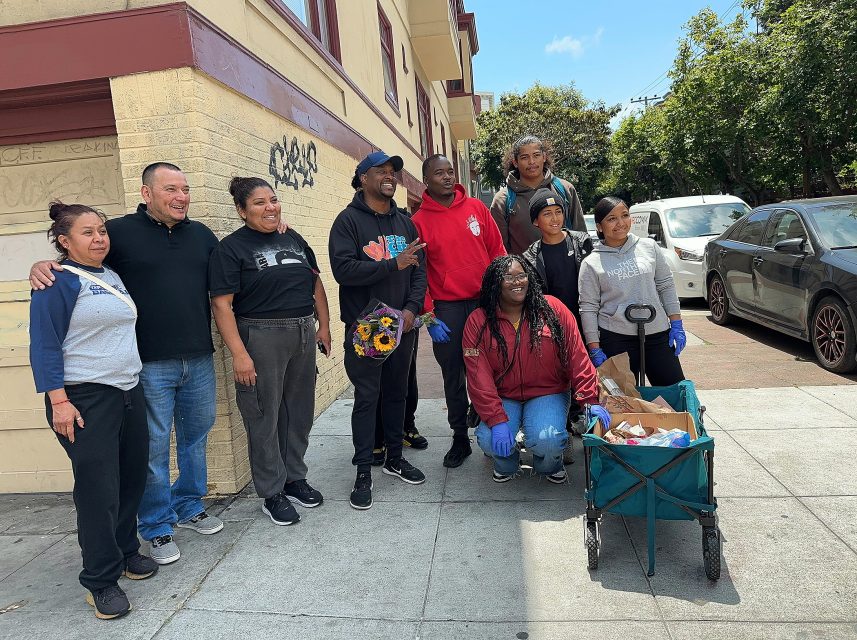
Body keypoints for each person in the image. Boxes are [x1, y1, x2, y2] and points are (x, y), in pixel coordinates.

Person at [30, 163, 225, 565]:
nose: (181, 196)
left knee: (194, 438)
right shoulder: (118, 233)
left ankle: (189, 504)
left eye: (185, 189)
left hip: (195, 358)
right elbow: (76, 266)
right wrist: (40, 265)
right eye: (170, 188)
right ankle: (155, 525)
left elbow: (230, 276)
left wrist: (278, 230)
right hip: (145, 366)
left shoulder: (202, 235)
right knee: (150, 451)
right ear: (146, 193)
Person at [29, 202, 157, 620]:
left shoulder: (111, 275)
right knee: (98, 490)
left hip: (127, 391)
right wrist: (58, 401)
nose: (99, 238)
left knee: (130, 478)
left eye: (101, 230)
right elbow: (44, 344)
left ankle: (124, 552)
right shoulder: (57, 281)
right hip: (84, 399)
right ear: (64, 241)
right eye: (87, 232)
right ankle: (100, 581)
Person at [209, 177, 330, 525]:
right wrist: (240, 354)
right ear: (242, 211)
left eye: (273, 200)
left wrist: (323, 325)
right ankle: (271, 492)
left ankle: (294, 478)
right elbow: (221, 305)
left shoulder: (292, 237)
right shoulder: (230, 249)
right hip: (260, 335)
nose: (270, 208)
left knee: (298, 412)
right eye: (259, 203)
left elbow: (315, 281)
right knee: (264, 417)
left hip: (302, 332)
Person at [329, 151, 428, 510]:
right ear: (362, 178)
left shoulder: (406, 223)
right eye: (381, 171)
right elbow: (344, 271)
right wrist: (391, 265)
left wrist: (410, 310)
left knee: (397, 394)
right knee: (367, 398)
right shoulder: (347, 222)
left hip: (400, 324)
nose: (390, 176)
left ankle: (395, 459)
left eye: (393, 172)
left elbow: (419, 271)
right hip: (367, 327)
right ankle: (363, 471)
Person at [462, 255, 610, 482]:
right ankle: (507, 464)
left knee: (548, 440)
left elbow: (576, 356)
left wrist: (590, 401)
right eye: (508, 277)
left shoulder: (553, 309)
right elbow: (478, 376)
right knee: (491, 438)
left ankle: (550, 465)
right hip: (504, 395)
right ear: (494, 283)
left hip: (547, 391)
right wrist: (496, 419)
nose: (517, 282)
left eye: (521, 275)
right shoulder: (479, 320)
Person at [411, 154, 506, 468]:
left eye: (450, 171)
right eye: (440, 173)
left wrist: (501, 293)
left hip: (483, 302)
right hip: (447, 309)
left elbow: (496, 251)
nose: (448, 177)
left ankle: (496, 422)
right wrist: (428, 317)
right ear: (427, 179)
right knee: (453, 374)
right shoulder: (419, 222)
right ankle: (459, 437)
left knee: (493, 365)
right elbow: (418, 274)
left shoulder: (477, 208)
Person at [578, 196, 687, 385]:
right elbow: (588, 308)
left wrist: (676, 323)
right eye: (611, 219)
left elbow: (665, 284)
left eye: (625, 215)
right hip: (616, 338)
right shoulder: (591, 263)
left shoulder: (649, 247)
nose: (620, 223)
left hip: (657, 334)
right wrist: (594, 347)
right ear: (599, 226)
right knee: (623, 402)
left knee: (674, 395)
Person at [522, 188, 594, 459]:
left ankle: (592, 428)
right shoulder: (530, 256)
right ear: (535, 222)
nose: (554, 219)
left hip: (588, 323)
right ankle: (561, 432)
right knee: (559, 378)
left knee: (589, 376)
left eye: (558, 212)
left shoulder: (583, 243)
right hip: (554, 326)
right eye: (547, 214)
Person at [490, 135, 587, 255]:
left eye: (536, 155)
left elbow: (581, 234)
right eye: (525, 157)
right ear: (515, 162)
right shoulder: (503, 199)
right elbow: (500, 249)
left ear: (544, 157)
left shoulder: (565, 189)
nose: (531, 162)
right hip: (525, 271)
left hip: (567, 269)